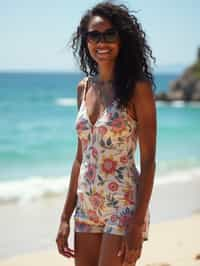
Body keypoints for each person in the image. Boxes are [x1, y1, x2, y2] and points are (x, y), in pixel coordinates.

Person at [56, 2, 157, 266]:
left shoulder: (138, 89)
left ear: (122, 38)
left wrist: (137, 223)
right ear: (85, 40)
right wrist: (65, 217)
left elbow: (148, 162)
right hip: (87, 204)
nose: (102, 42)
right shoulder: (84, 88)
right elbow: (80, 158)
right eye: (94, 35)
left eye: (109, 34)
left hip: (123, 204)